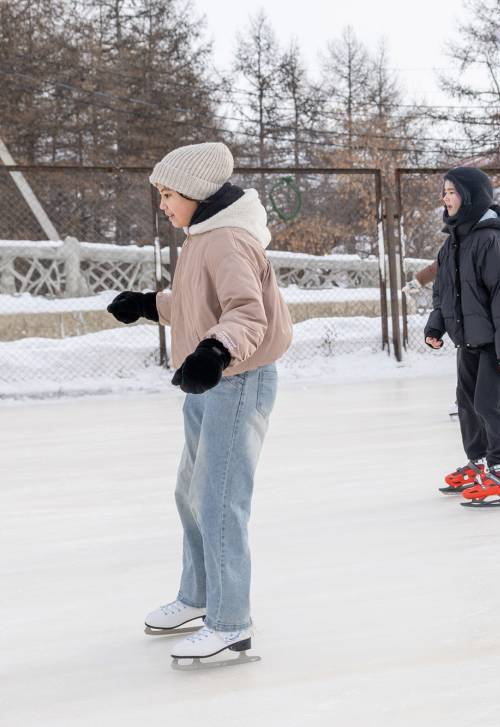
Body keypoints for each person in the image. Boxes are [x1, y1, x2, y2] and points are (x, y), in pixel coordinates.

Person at [106, 142, 292, 664]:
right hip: (206, 382)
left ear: (197, 193)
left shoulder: (228, 240)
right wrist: (148, 305)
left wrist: (214, 351)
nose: (163, 204)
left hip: (237, 379)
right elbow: (193, 304)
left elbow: (246, 316)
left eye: (169, 194)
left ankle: (231, 621)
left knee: (219, 500)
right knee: (191, 493)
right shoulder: (202, 238)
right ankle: (200, 596)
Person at [424, 167, 500, 507]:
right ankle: (480, 464)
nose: (445, 198)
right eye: (444, 191)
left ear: (470, 197)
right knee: (468, 404)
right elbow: (444, 292)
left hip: (497, 341)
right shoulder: (453, 243)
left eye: (452, 192)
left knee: (490, 404)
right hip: (467, 337)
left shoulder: (492, 241)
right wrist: (435, 326)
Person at [405, 260, 500, 412]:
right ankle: (467, 399)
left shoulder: (497, 245)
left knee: (495, 363)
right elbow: (439, 265)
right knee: (474, 361)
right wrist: (417, 281)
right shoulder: (459, 245)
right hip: (482, 319)